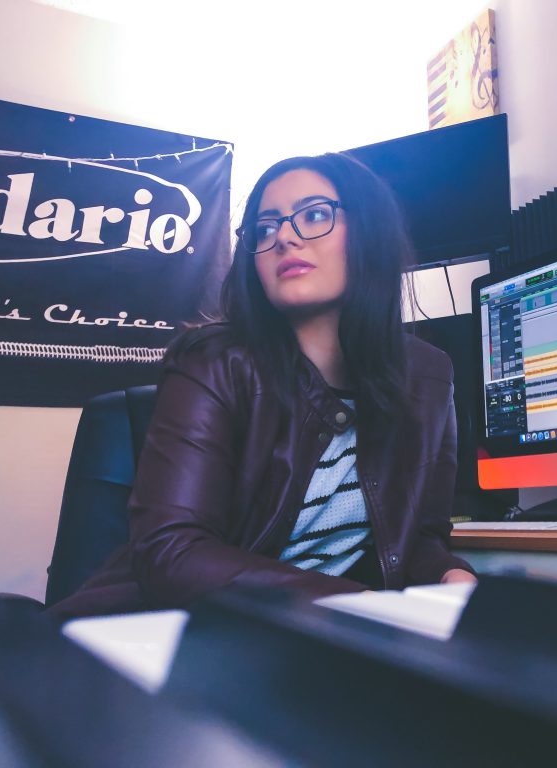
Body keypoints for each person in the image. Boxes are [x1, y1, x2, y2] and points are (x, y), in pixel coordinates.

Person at [50, 152, 475, 619]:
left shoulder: (428, 377)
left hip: (312, 634)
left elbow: (419, 538)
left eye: (315, 215)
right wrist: (354, 604)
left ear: (370, 234)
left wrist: (449, 575)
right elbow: (172, 553)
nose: (284, 237)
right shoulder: (213, 363)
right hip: (161, 630)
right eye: (265, 228)